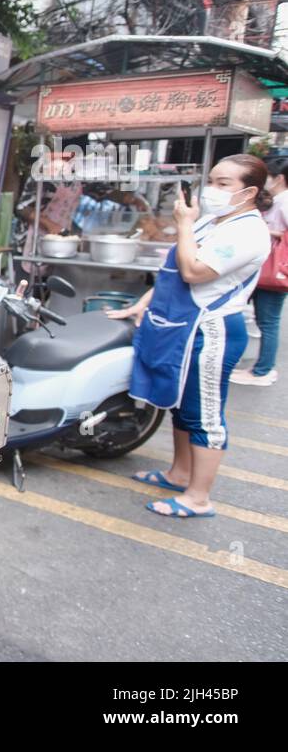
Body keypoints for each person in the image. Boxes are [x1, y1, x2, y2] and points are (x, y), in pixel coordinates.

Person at [107, 154, 273, 519]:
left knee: (205, 415)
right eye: (211, 179)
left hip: (210, 333)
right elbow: (171, 272)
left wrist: (184, 225)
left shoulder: (247, 231)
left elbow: (194, 271)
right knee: (180, 407)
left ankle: (199, 497)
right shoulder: (214, 222)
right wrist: (141, 304)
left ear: (249, 192)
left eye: (223, 183)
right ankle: (179, 473)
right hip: (179, 328)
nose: (211, 189)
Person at [230, 156, 288, 386]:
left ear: (280, 178)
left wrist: (266, 230)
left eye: (269, 178)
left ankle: (263, 371)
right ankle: (258, 367)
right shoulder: (276, 200)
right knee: (259, 318)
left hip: (275, 272)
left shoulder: (285, 202)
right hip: (263, 271)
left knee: (268, 322)